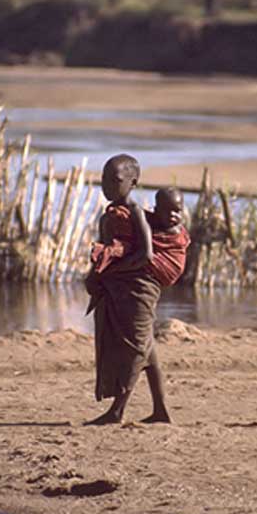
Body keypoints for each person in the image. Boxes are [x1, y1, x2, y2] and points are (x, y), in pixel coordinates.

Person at [83, 155, 189, 426]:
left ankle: (117, 411)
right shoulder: (115, 210)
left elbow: (146, 254)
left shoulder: (135, 211)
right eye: (105, 179)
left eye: (115, 180)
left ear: (133, 183)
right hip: (126, 287)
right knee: (146, 347)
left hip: (139, 288)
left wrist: (111, 271)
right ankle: (161, 410)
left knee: (136, 348)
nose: (107, 185)